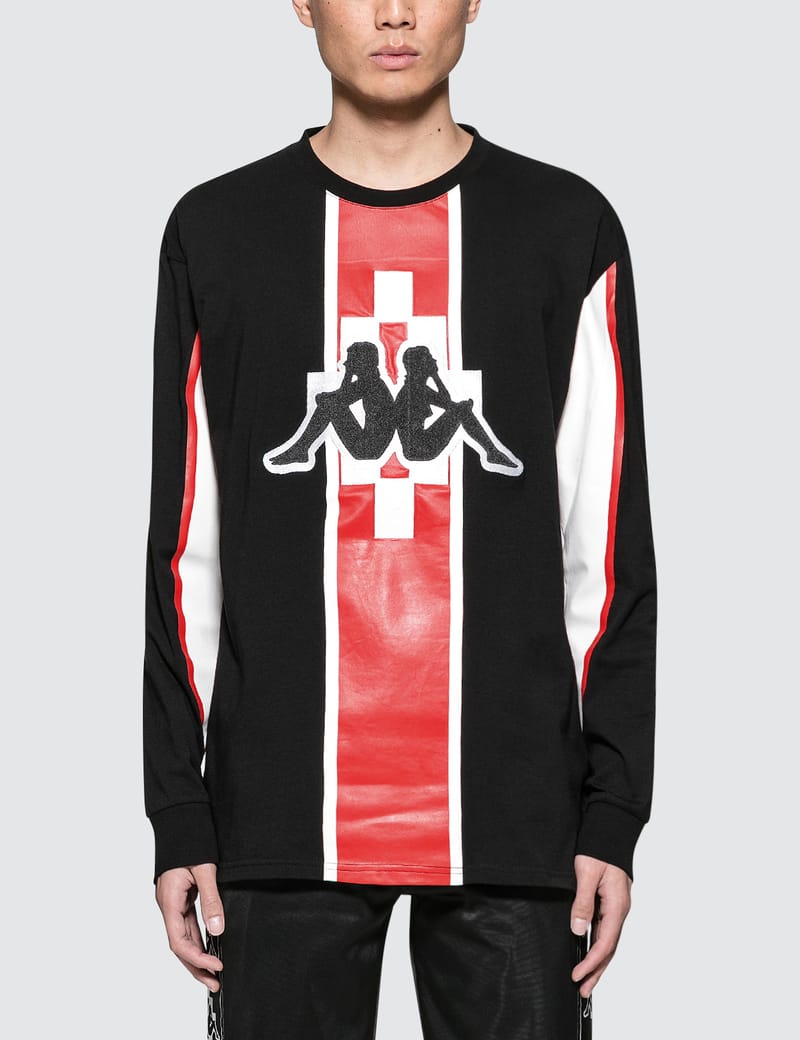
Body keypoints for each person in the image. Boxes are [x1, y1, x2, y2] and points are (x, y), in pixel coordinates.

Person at [142, 1, 657, 1037]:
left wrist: (612, 808)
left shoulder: (566, 229)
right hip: (280, 808)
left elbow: (603, 549)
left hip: (512, 812)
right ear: (300, 3)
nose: (393, 12)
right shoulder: (218, 232)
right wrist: (178, 810)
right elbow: (185, 547)